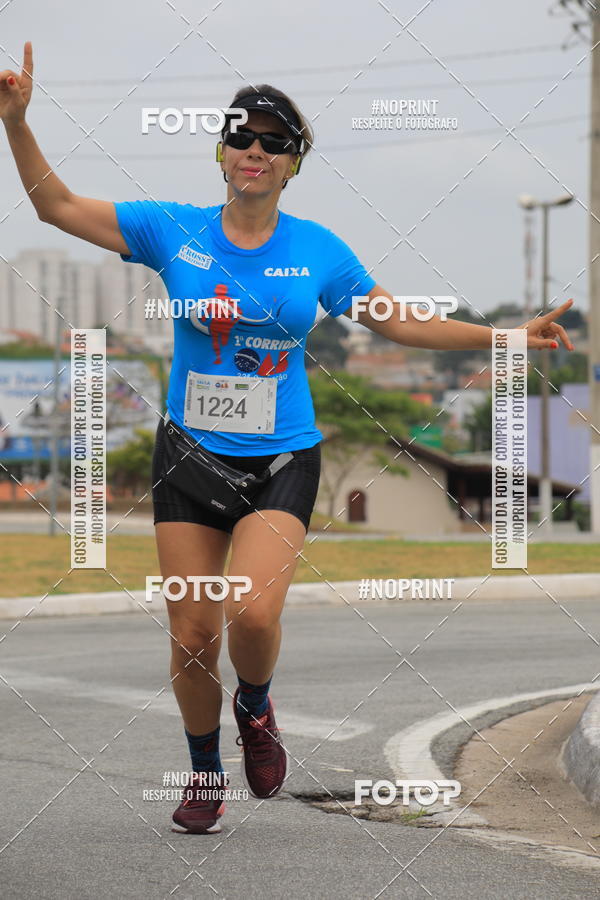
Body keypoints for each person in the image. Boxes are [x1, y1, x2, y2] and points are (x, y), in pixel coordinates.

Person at [1, 42, 575, 836]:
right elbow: (55, 207)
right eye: (242, 136)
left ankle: (258, 707)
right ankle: (205, 771)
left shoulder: (317, 251)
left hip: (280, 458)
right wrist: (17, 124)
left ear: (294, 163)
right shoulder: (173, 230)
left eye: (275, 142)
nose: (255, 151)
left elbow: (399, 321)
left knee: (254, 615)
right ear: (222, 151)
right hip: (189, 456)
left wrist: (503, 337)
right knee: (195, 631)